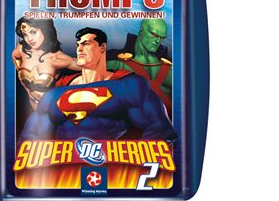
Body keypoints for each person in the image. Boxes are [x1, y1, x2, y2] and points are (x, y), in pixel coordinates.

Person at [19, 27, 176, 141]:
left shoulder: (127, 85)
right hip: (62, 167)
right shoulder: (56, 92)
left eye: (86, 44)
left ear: (102, 47)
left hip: (115, 167)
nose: (79, 49)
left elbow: (160, 129)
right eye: (78, 44)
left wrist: (129, 165)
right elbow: (31, 137)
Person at [107, 19, 172, 117]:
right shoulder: (114, 60)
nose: (158, 41)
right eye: (155, 35)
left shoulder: (169, 68)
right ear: (141, 31)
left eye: (162, 38)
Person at [12, 17, 80, 110]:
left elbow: (90, 66)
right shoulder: (22, 49)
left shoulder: (57, 58)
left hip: (54, 110)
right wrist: (24, 83)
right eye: (25, 34)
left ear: (45, 30)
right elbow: (15, 56)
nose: (29, 39)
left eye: (33, 32)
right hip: (34, 110)